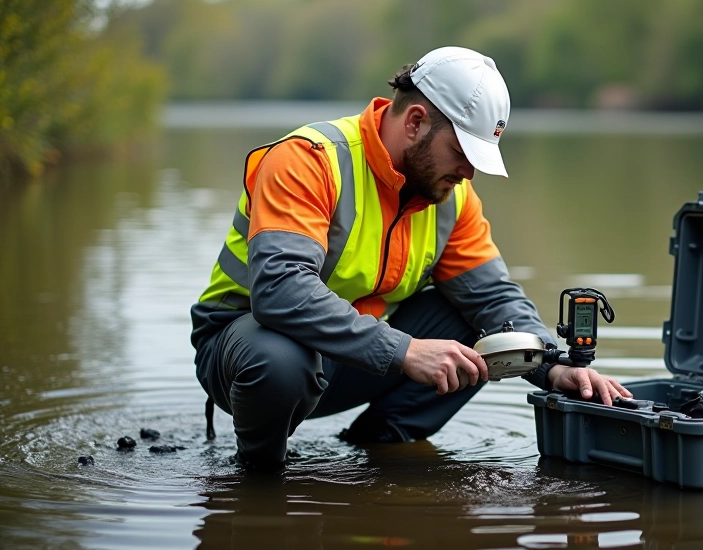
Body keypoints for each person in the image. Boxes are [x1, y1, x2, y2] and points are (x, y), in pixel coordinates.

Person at [190, 46, 632, 470]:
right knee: (280, 359)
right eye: (461, 153)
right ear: (416, 122)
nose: (468, 173)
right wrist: (404, 351)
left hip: (351, 356)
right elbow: (280, 292)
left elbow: (494, 299)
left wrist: (554, 365)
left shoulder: (451, 196)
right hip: (247, 353)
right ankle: (261, 474)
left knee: (477, 330)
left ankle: (376, 453)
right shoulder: (310, 160)